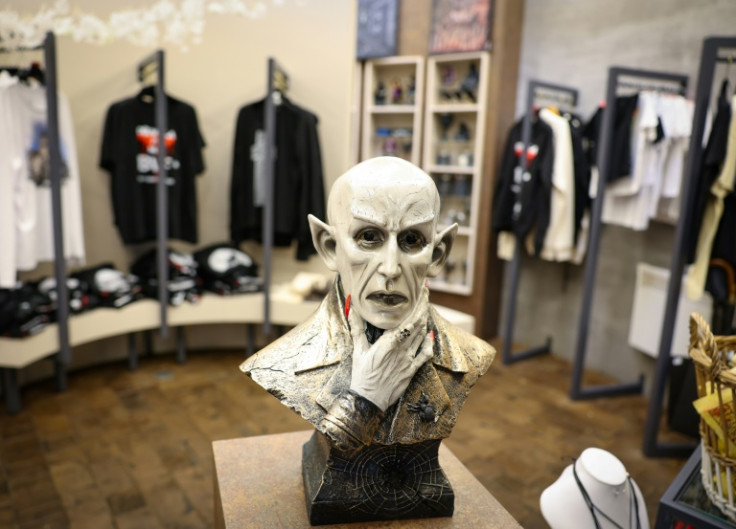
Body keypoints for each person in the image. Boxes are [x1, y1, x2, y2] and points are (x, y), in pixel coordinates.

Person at [241, 157, 495, 454]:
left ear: (438, 255)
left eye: (412, 240)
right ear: (329, 246)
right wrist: (364, 399)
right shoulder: (280, 362)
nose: (390, 269)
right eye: (369, 237)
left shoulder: (471, 355)